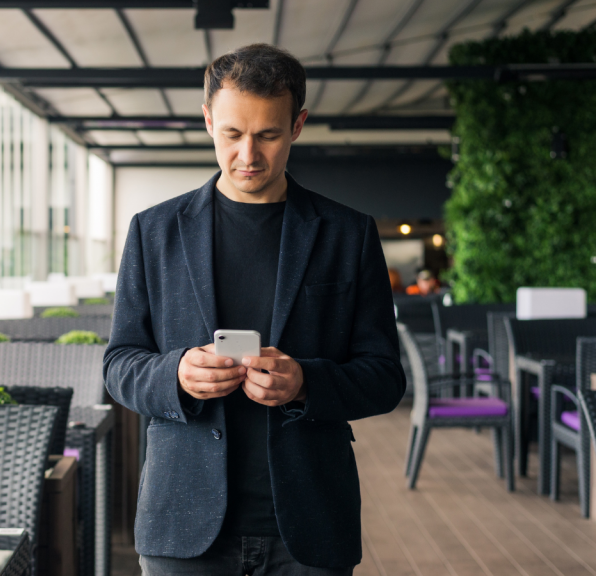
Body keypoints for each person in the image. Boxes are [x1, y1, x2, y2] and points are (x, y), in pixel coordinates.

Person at [103, 44, 406, 576]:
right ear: (207, 121)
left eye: (267, 134)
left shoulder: (348, 234)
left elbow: (384, 377)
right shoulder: (154, 232)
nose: (248, 155)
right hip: (182, 526)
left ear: (298, 125)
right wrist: (174, 373)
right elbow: (119, 363)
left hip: (309, 526)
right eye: (232, 134)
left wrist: (306, 383)